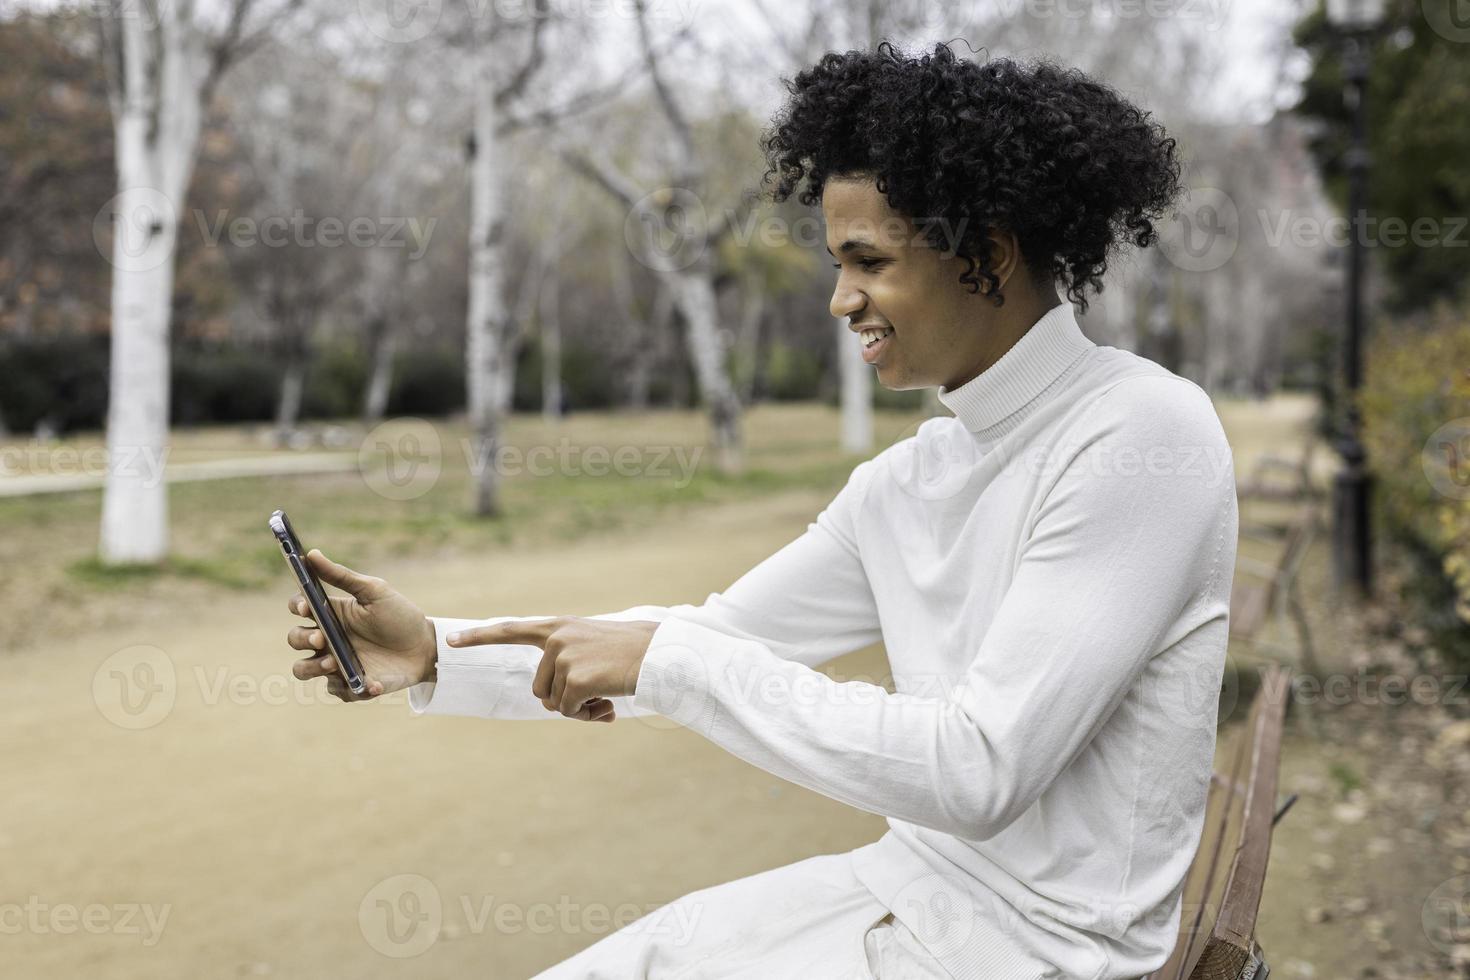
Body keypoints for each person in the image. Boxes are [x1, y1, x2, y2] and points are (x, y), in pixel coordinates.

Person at [282, 41, 1237, 980]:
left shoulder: (1140, 435)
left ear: (986, 253)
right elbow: (713, 637)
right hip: (911, 895)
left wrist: (683, 663)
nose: (839, 300)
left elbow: (978, 769)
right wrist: (439, 651)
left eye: (867, 260)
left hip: (1037, 953)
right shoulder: (908, 481)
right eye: (835, 262)